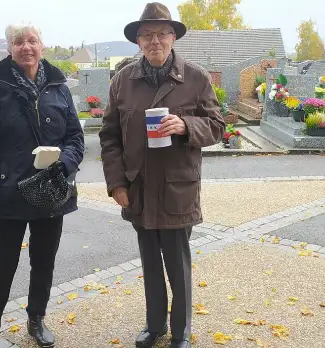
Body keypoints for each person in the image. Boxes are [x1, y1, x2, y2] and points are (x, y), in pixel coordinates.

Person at [99, 3, 225, 348]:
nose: (155, 40)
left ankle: (181, 331)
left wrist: (187, 125)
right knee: (150, 264)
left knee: (177, 264)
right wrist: (116, 183)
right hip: (138, 189)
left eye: (162, 33)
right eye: (147, 34)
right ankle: (154, 326)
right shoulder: (123, 81)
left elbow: (218, 126)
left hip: (176, 189)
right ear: (138, 41)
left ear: (173, 37)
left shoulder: (196, 78)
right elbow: (109, 136)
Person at [0, 23, 84, 348]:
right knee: (0, 269)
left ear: (42, 46)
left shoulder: (58, 86)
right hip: (8, 197)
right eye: (18, 42)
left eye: (31, 40)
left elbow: (75, 137)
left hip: (51, 192)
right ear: (10, 48)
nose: (26, 47)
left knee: (43, 262)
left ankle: (36, 318)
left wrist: (65, 162)